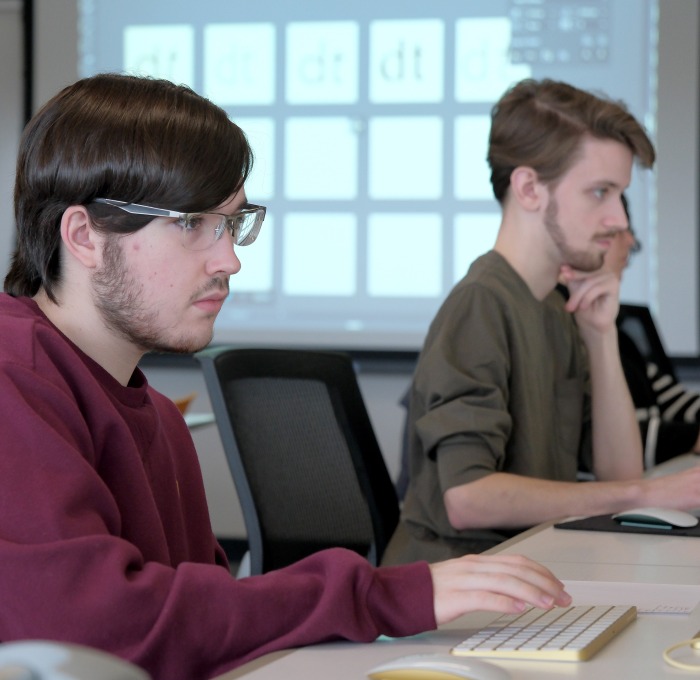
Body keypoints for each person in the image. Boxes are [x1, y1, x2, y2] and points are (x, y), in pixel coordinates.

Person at [0, 73, 573, 680]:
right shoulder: (14, 379)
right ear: (85, 236)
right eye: (192, 223)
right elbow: (93, 632)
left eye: (233, 222)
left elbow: (207, 635)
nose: (230, 259)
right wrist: (382, 596)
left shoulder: (159, 422)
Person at [382, 78, 700, 566]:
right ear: (530, 188)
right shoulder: (481, 304)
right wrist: (642, 497)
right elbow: (467, 498)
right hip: (461, 583)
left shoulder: (555, 307)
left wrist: (599, 334)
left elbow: (620, 474)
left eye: (620, 195)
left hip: (533, 563)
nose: (619, 220)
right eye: (600, 192)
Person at [605, 196, 700, 467]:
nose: (631, 242)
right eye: (616, 231)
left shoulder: (621, 338)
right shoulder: (569, 338)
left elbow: (675, 401)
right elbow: (603, 442)